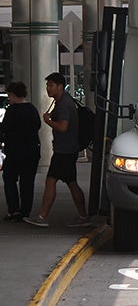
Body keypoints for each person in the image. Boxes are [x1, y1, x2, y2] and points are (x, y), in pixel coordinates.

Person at [24, 72, 91, 228]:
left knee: (51, 181)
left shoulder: (63, 105)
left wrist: (48, 121)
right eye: (47, 85)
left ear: (60, 87)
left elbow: (63, 126)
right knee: (71, 183)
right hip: (68, 149)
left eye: (51, 85)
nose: (48, 88)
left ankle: (43, 216)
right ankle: (83, 216)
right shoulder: (64, 101)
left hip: (64, 150)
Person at [0, 82, 41, 221]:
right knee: (27, 182)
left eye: (9, 95)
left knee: (9, 178)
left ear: (13, 94)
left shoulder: (12, 110)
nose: (9, 98)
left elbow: (4, 128)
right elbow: (38, 125)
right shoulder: (32, 108)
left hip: (15, 151)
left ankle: (14, 210)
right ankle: (25, 212)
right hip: (32, 150)